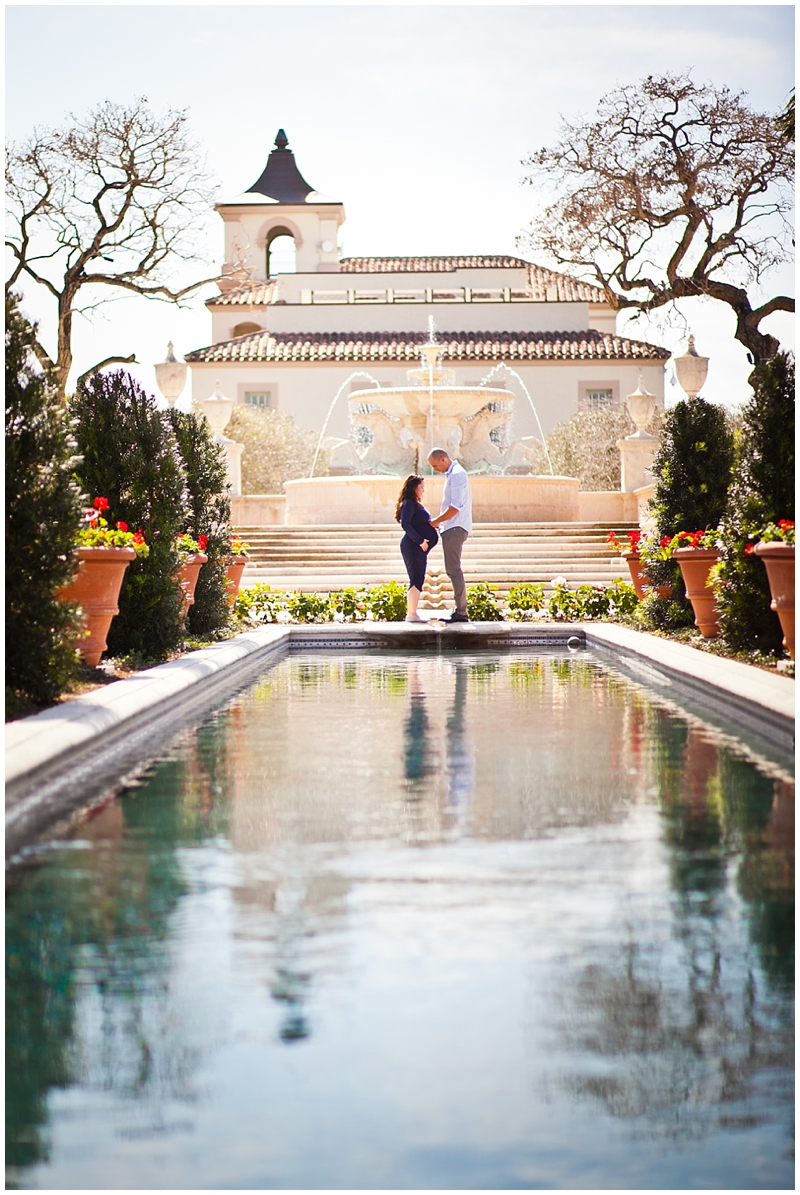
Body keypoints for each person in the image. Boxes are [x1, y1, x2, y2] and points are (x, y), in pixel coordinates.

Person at [427, 448, 472, 623]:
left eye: (435, 465)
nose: (434, 469)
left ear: (444, 459)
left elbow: (456, 506)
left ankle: (461, 612)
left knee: (454, 569)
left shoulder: (457, 475)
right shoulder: (452, 474)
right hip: (452, 527)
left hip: (455, 527)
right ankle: (460, 611)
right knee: (453, 569)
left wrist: (436, 521)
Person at [395, 474, 439, 623]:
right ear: (414, 488)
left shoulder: (414, 504)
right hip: (413, 546)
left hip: (417, 547)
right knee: (415, 578)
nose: (423, 490)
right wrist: (420, 540)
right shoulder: (408, 503)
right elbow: (405, 524)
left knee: (418, 577)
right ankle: (411, 614)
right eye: (421, 487)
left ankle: (413, 613)